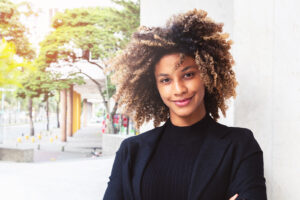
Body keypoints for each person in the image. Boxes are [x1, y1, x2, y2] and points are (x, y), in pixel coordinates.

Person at [103, 9, 267, 200]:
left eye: (188, 75)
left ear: (206, 74)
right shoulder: (132, 151)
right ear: (154, 87)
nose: (179, 89)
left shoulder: (239, 145)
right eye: (166, 80)